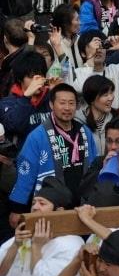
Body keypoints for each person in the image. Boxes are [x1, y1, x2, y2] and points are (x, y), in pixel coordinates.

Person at [8, 84, 98, 224]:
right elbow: (26, 173)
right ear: (51, 104)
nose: (67, 108)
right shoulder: (37, 136)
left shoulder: (84, 132)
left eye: (71, 103)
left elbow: (93, 168)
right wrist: (17, 209)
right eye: (62, 103)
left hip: (82, 205)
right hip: (52, 206)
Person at [71, 31, 119, 111]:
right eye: (93, 46)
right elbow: (80, 89)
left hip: (116, 121)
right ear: (83, 53)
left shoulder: (117, 70)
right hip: (87, 122)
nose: (99, 49)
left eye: (101, 45)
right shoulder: (76, 73)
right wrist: (91, 61)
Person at [0, 51, 55, 149]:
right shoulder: (7, 103)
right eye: (31, 76)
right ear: (20, 78)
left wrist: (58, 94)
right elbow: (15, 126)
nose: (37, 80)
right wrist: (26, 97)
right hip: (23, 158)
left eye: (41, 75)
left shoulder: (51, 97)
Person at [77, 75, 116, 154]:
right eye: (105, 95)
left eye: (111, 93)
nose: (110, 98)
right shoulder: (77, 123)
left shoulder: (116, 119)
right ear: (91, 99)